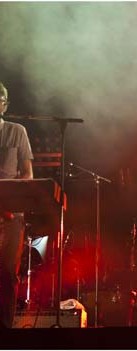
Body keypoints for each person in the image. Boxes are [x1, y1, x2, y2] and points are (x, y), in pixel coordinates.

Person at [0, 82, 34, 327]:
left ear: (5, 104)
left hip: (10, 215)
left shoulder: (17, 131)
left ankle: (5, 329)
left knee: (6, 274)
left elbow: (27, 175)